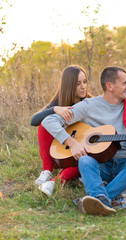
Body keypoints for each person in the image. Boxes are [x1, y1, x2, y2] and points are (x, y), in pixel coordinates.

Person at [42, 66, 126, 216]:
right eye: (124, 83)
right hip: (100, 165)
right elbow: (49, 121)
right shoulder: (88, 106)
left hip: (125, 166)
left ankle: (100, 198)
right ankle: (104, 199)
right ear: (110, 86)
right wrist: (72, 143)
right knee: (85, 161)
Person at [31, 65, 92, 196]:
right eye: (78, 83)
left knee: (82, 163)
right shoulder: (58, 101)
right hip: (60, 147)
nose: (83, 87)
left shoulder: (89, 102)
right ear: (69, 85)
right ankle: (47, 170)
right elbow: (33, 120)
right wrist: (54, 109)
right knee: (44, 123)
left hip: (79, 150)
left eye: (85, 81)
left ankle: (54, 182)